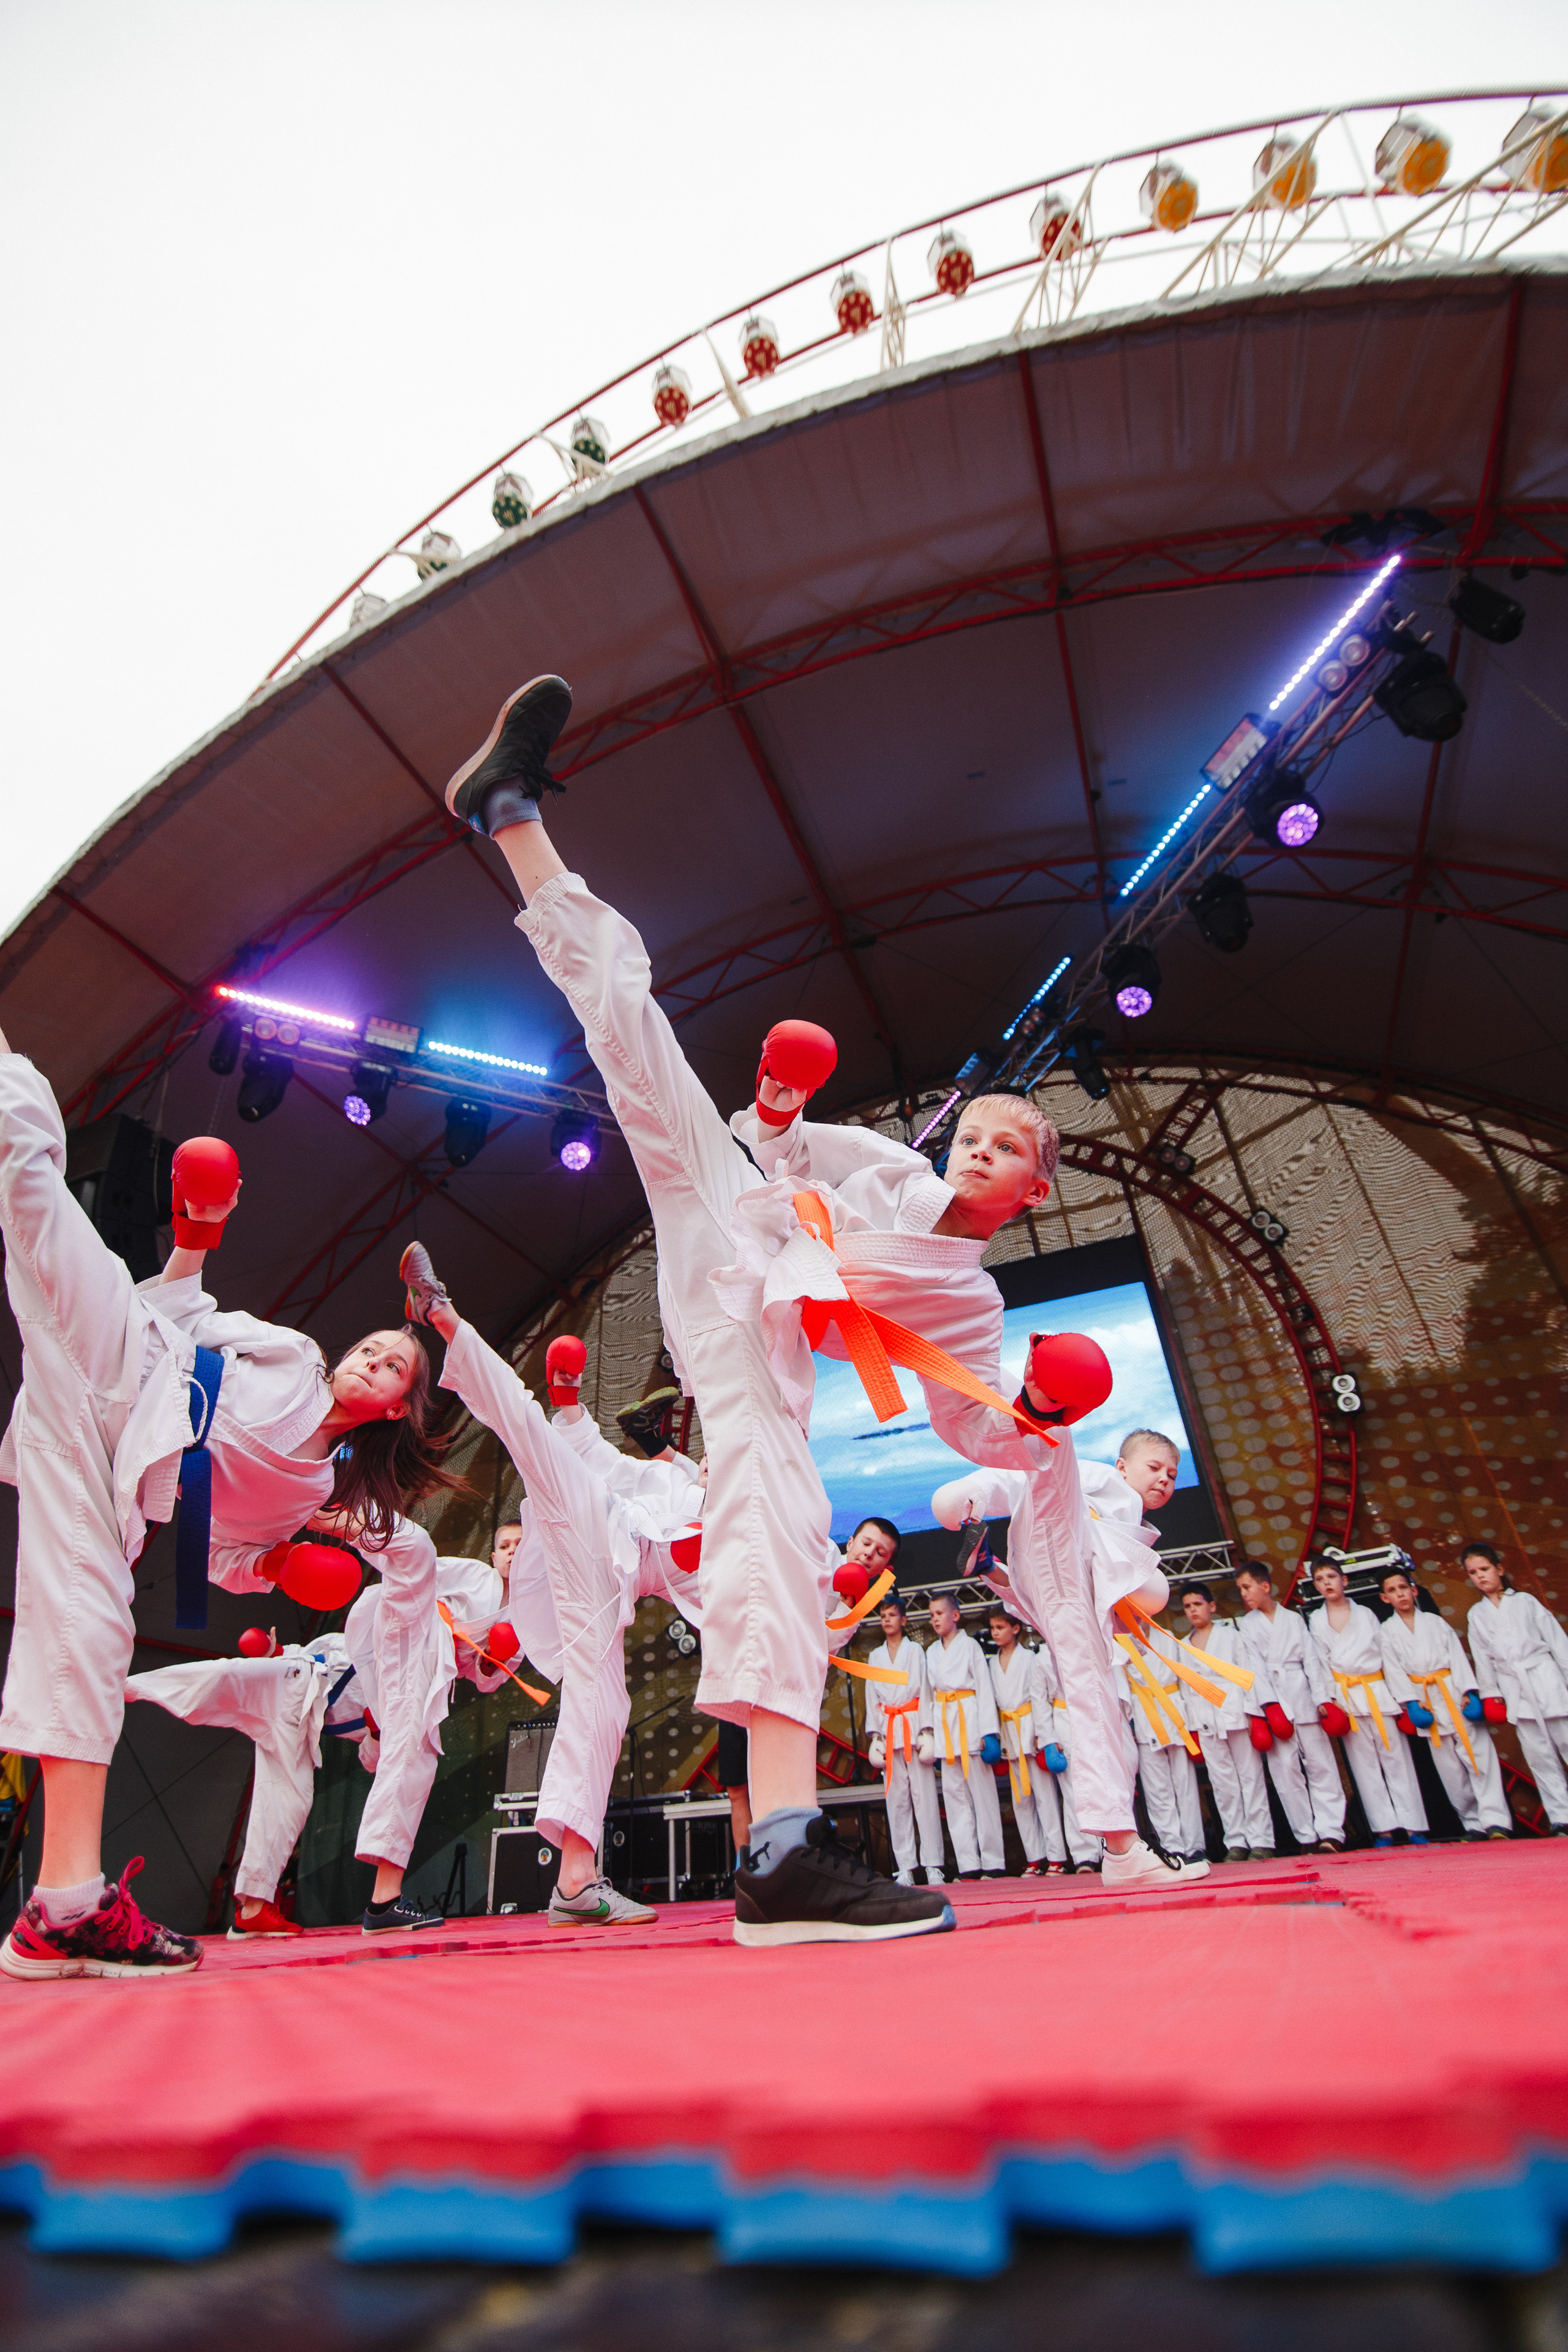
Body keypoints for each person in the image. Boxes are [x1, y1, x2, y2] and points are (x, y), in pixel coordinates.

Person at [446, 675, 951, 1946]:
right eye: (988, 1141)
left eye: (1012, 1152)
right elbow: (716, 1100)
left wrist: (927, 1187)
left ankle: (779, 1847)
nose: (991, 1152)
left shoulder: (891, 1201)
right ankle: (514, 820)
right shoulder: (780, 1167)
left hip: (759, 1355)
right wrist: (779, 1122)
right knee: (635, 1038)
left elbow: (915, 1235)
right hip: (735, 1295)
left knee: (779, 1539)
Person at [0, 1041, 457, 1980]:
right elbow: (180, 1311)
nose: (374, 1357)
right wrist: (198, 1229)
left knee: (88, 1638)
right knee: (34, 1180)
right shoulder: (293, 1356)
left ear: (395, 1411)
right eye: (375, 1346)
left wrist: (279, 1567)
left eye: (395, 1367)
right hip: (129, 1361)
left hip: (115, 1474)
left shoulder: (315, 1494)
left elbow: (220, 1561)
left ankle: (65, 1903)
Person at [401, 1243, 702, 1926]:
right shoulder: (677, 1477)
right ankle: (441, 1313)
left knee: (605, 1705)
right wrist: (569, 1408)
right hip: (588, 1526)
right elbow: (602, 1465)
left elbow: (733, 1593)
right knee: (532, 1432)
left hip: (620, 1576)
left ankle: (575, 1881)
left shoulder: (725, 1513)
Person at [930, 1437, 1206, 1890]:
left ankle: (991, 1568)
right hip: (1061, 1549)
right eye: (1155, 1467)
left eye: (1173, 1475)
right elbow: (1031, 1475)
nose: (1164, 1479)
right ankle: (1121, 1848)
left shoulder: (1130, 1520)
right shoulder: (1106, 1480)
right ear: (1123, 1466)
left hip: (1058, 1580)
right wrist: (972, 1493)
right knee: (1093, 1697)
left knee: (1110, 1716)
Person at [124, 1627, 372, 1938]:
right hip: (289, 1681)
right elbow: (320, 1650)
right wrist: (274, 1651)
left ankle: (253, 1910)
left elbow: (374, 1760)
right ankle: (116, 1686)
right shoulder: (373, 1642)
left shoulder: (406, 1700)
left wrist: (377, 1733)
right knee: (221, 1676)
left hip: (300, 1726)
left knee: (290, 1803)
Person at [1376, 1564, 1511, 1842]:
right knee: (1451, 1771)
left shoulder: (1436, 1623)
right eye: (1392, 1590)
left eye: (1403, 1588)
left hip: (1453, 1692)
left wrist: (1468, 1691)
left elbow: (1457, 1656)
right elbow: (1393, 1671)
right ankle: (1472, 1823)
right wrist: (1411, 1703)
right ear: (1384, 1598)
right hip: (1426, 1701)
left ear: (1414, 1590)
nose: (1400, 1594)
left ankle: (1496, 1822)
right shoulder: (1386, 1632)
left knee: (1479, 1758)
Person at [1308, 1557, 1430, 1847]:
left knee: (1397, 1761)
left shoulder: (1366, 1615)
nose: (1327, 1583)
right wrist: (1327, 1698)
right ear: (1315, 1586)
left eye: (1331, 1577)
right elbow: (1318, 1663)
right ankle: (1384, 1830)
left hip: (1377, 1690)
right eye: (1320, 1579)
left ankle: (1414, 1827)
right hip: (1346, 1698)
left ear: (1344, 1580)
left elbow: (1387, 1658)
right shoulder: (1316, 1620)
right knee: (1365, 1768)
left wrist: (1403, 1699)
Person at [1232, 1560, 1346, 1853]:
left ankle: (1331, 1832)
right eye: (1241, 1589)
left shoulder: (1294, 1619)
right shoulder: (1247, 1625)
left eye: (1247, 1587)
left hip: (1303, 1695)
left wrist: (1321, 1698)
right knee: (1286, 1773)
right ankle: (1306, 1836)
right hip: (1274, 1703)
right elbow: (1253, 1668)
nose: (1244, 1594)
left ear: (1265, 1586)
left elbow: (1312, 1660)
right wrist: (1269, 1707)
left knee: (1322, 1766)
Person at [1463, 1542, 1568, 1833]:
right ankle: (1562, 1817)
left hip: (1545, 1678)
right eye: (1473, 1572)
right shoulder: (1476, 1614)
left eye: (1485, 1569)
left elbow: (1558, 1643)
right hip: (1514, 1687)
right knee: (1539, 1756)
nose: (1480, 1576)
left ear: (1499, 1569)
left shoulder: (1525, 1602)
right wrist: (1492, 1694)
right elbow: (1483, 1659)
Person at [1176, 1582, 1275, 1861]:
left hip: (1235, 1711)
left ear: (1212, 1606)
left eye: (1198, 1604)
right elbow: (1185, 1689)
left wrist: (1254, 1713)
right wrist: (1191, 1727)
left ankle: (1262, 1840)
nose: (1193, 1610)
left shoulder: (1231, 1636)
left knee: (1250, 1777)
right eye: (1188, 1606)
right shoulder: (1183, 1645)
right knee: (1222, 1783)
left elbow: (1248, 1673)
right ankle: (1236, 1841)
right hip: (1204, 1717)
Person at [923, 1591, 1005, 1878]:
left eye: (940, 1614)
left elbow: (984, 1687)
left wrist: (988, 1731)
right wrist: (929, 1733)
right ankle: (968, 1864)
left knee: (983, 1796)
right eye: (932, 1615)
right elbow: (928, 1695)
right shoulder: (931, 1652)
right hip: (944, 1723)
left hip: (969, 1719)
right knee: (955, 1798)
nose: (935, 1620)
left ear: (955, 1615)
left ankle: (993, 1862)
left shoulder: (970, 1646)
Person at [865, 1592, 944, 1886]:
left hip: (913, 1724)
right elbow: (872, 1698)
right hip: (889, 1728)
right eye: (883, 1616)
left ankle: (933, 1865)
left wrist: (927, 1730)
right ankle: (905, 1867)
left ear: (904, 1620)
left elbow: (924, 1690)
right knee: (896, 1801)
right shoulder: (875, 1656)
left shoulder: (915, 1652)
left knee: (925, 1799)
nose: (887, 1621)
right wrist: (875, 1735)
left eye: (892, 1616)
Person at [1028, 1632, 1102, 1872]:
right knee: (1072, 1792)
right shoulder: (1041, 1659)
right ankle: (1085, 1854)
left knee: (1100, 1784)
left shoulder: (1083, 1644)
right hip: (1062, 1721)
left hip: (1091, 1715)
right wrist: (1048, 1738)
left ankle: (1112, 1847)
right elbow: (1039, 1701)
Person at [987, 1605, 1050, 1876]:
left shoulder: (1030, 1659)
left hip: (1029, 1726)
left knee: (1044, 1796)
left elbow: (1038, 1698)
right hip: (1008, 1732)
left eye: (1000, 1627)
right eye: (992, 1628)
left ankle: (1056, 1856)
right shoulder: (992, 1662)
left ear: (1015, 1628)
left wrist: (1040, 1733)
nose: (995, 1633)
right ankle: (1035, 1857)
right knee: (1021, 1799)